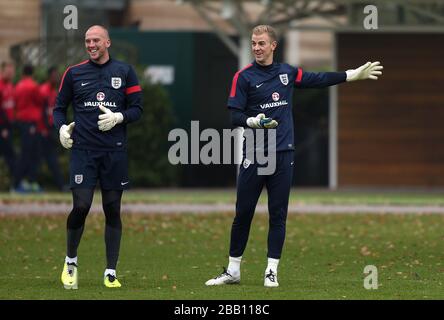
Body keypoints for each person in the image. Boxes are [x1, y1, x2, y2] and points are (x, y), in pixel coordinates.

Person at [205, 25, 383, 287]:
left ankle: (271, 271)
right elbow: (234, 116)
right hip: (255, 155)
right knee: (243, 214)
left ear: (273, 45)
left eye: (261, 43)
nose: (256, 48)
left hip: (282, 153)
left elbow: (317, 79)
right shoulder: (243, 78)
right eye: (254, 43)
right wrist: (252, 121)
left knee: (278, 214)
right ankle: (233, 271)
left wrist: (350, 75)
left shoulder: (287, 72)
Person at [53, 25, 143, 289]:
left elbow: (137, 109)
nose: (91, 45)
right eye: (87, 41)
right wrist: (61, 128)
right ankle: (70, 262)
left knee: (112, 209)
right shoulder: (74, 73)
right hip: (84, 152)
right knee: (81, 206)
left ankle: (110, 272)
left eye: (96, 40)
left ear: (107, 43)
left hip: (114, 151)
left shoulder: (125, 72)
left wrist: (119, 117)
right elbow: (59, 108)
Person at [36, 66, 67, 191]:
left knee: (51, 159)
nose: (57, 77)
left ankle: (60, 185)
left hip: (50, 130)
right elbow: (40, 111)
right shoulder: (43, 90)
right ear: (49, 76)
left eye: (57, 75)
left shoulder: (55, 92)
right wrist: (44, 129)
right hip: (42, 131)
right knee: (38, 159)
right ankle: (31, 183)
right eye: (54, 75)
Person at [13, 64, 43, 193]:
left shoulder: (18, 86)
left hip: (21, 120)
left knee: (26, 152)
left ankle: (27, 181)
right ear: (33, 73)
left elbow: (15, 102)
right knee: (30, 153)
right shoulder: (33, 86)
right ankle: (19, 183)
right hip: (31, 122)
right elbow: (40, 101)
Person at [0, 61, 16, 188]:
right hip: (2, 127)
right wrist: (4, 127)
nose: (11, 73)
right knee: (10, 155)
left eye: (12, 70)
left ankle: (14, 184)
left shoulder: (10, 85)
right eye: (8, 71)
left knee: (10, 155)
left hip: (8, 126)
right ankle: (15, 185)